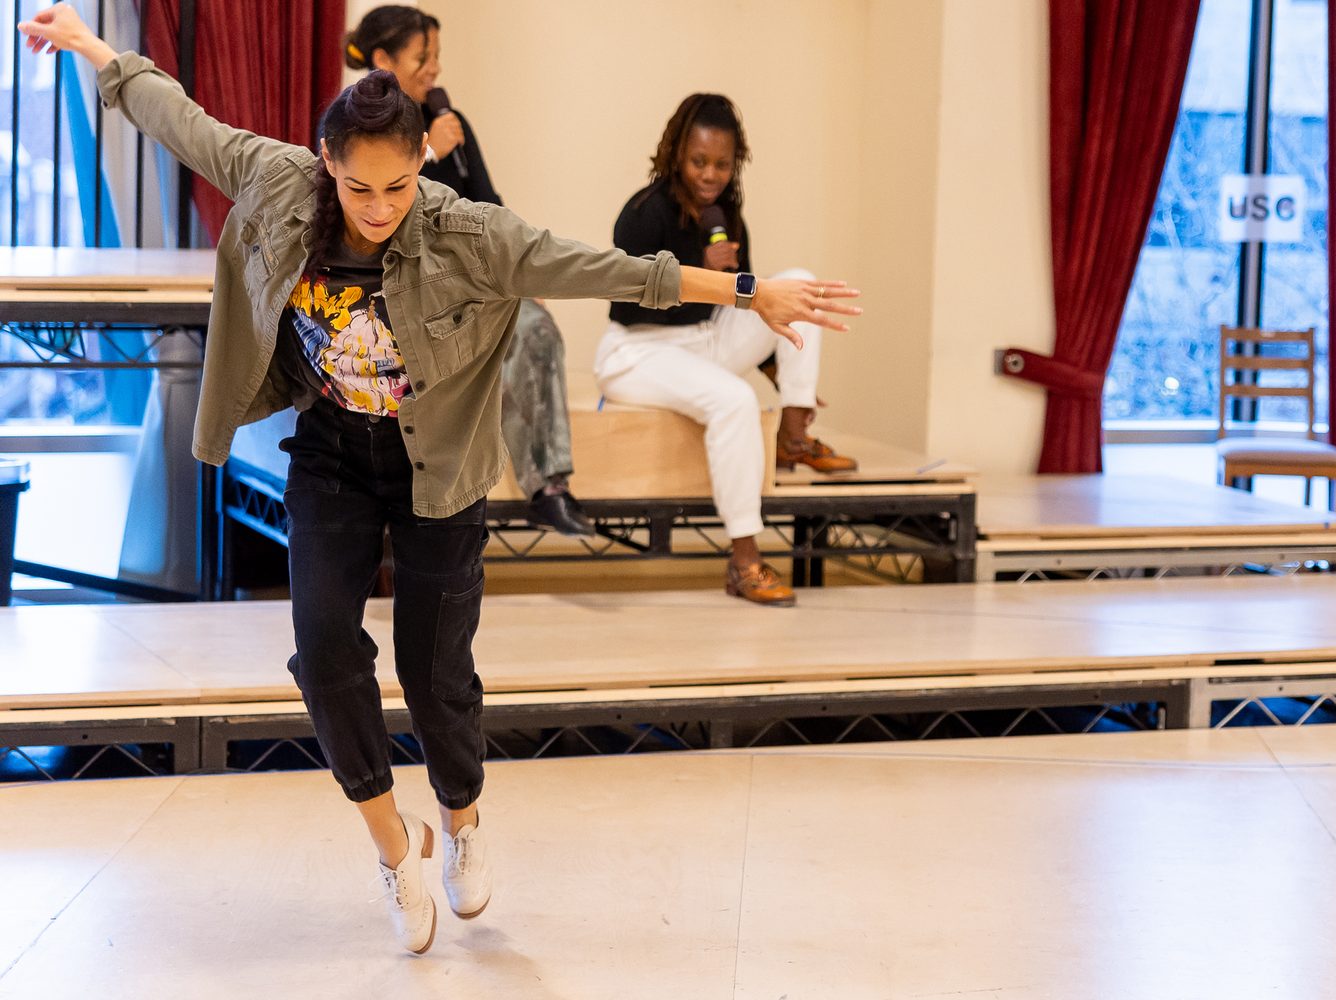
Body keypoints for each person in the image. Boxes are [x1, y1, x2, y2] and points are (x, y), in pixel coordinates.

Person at [17, 3, 859, 955]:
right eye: (357, 187)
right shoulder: (279, 181)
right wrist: (89, 43)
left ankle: (460, 820)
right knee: (323, 651)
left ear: (422, 163)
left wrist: (750, 291)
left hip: (441, 470)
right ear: (326, 163)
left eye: (397, 186)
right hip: (333, 452)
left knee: (434, 674)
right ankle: (393, 845)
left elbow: (609, 269)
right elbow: (179, 119)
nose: (378, 208)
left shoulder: (471, 235)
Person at [599, 94, 857, 608]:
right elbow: (629, 304)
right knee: (736, 400)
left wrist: (786, 378)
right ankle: (744, 562)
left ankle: (794, 435)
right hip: (638, 352)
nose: (710, 175)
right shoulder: (643, 213)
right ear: (677, 154)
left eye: (722, 164)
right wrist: (705, 271)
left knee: (799, 286)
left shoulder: (728, 215)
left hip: (703, 341)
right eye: (699, 161)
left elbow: (759, 309)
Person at [344, 4, 591, 535]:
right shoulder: (356, 130)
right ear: (384, 60)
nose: (435, 69)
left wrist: (523, 273)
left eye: (437, 56)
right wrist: (429, 156)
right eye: (423, 57)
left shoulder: (450, 122)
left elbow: (490, 207)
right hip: (403, 290)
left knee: (536, 328)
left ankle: (549, 487)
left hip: (473, 284)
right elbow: (370, 220)